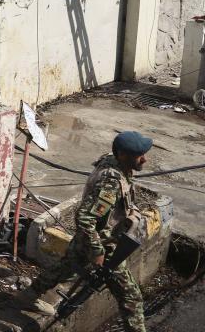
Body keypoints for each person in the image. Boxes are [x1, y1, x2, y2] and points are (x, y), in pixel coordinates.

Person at [17, 131, 152, 331]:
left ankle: (27, 297)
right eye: (139, 155)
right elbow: (85, 217)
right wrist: (97, 251)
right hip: (103, 245)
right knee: (131, 298)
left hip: (87, 240)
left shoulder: (114, 163)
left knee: (63, 269)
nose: (144, 159)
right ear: (123, 155)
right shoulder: (111, 182)